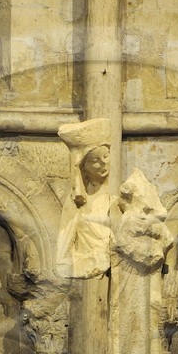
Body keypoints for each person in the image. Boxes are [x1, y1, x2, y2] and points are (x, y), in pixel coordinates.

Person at [56, 118, 113, 279]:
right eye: (95, 160)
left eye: (106, 156)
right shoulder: (76, 204)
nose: (103, 163)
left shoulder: (116, 199)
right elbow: (63, 259)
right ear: (82, 166)